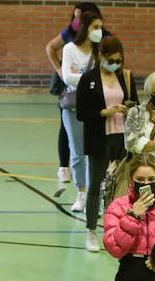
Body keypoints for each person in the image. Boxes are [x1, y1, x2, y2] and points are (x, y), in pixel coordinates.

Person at [76, 35, 135, 253]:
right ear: (101, 56)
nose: (116, 64)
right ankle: (91, 230)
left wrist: (128, 109)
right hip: (100, 138)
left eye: (119, 60)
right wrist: (104, 112)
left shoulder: (125, 76)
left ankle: (116, 231)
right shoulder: (88, 79)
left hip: (121, 138)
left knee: (119, 188)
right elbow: (82, 112)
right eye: (112, 59)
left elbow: (134, 104)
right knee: (96, 186)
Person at [45, 2, 102, 191]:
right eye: (75, 16)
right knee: (70, 135)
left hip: (94, 100)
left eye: (80, 16)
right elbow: (51, 49)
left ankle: (93, 189)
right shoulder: (69, 38)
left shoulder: (100, 43)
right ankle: (65, 169)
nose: (76, 20)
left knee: (93, 148)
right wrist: (61, 72)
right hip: (71, 97)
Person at [58, 7, 103, 214]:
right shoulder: (69, 49)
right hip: (73, 106)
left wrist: (83, 78)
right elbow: (67, 77)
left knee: (95, 152)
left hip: (96, 108)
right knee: (77, 152)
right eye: (95, 27)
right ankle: (81, 192)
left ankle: (96, 194)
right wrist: (90, 80)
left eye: (100, 27)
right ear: (85, 28)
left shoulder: (99, 50)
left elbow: (104, 79)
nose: (99, 31)